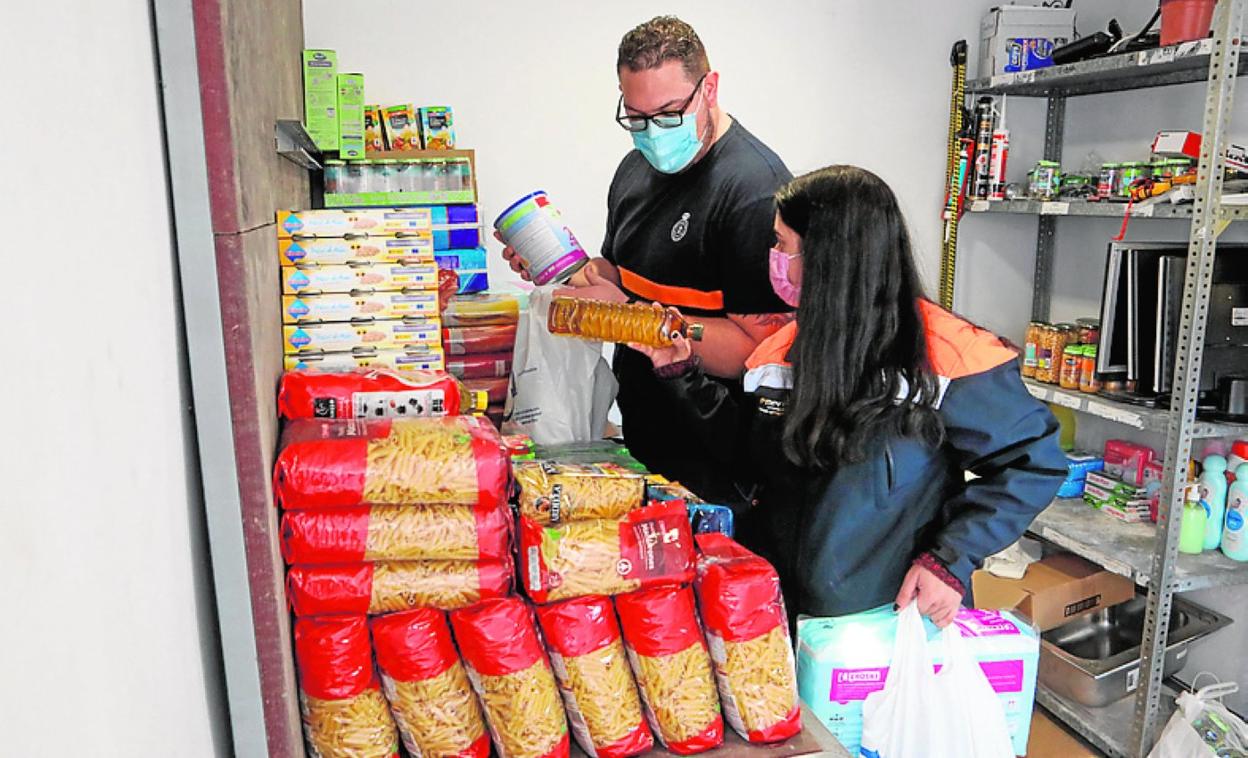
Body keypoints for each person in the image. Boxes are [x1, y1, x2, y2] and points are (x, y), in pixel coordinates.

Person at [632, 166, 1067, 626]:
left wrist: (949, 561)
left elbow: (1032, 463)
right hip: (779, 613)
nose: (772, 256)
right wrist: (680, 373)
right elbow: (749, 460)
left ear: (827, 256)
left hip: (889, 621)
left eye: (782, 244)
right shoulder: (779, 355)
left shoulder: (950, 356)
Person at [499, 16, 793, 506]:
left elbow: (757, 352)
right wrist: (565, 271)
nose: (652, 133)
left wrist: (631, 321)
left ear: (710, 88)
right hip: (642, 437)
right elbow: (624, 274)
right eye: (635, 117)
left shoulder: (752, 192)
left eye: (668, 114)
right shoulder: (637, 168)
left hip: (716, 459)